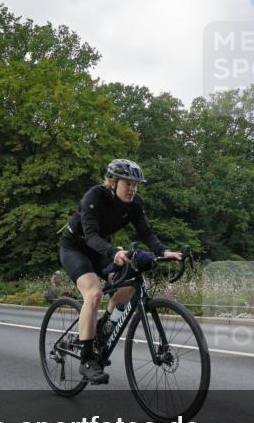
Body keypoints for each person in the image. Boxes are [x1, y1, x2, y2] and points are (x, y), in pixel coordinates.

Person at [59, 159, 181, 384]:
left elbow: (146, 234)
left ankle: (103, 328)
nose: (132, 189)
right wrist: (114, 251)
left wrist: (165, 252)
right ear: (112, 182)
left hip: (101, 250)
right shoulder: (94, 197)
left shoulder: (135, 204)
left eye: (136, 184)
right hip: (76, 248)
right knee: (94, 294)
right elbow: (91, 235)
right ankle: (87, 360)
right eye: (127, 183)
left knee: (129, 283)